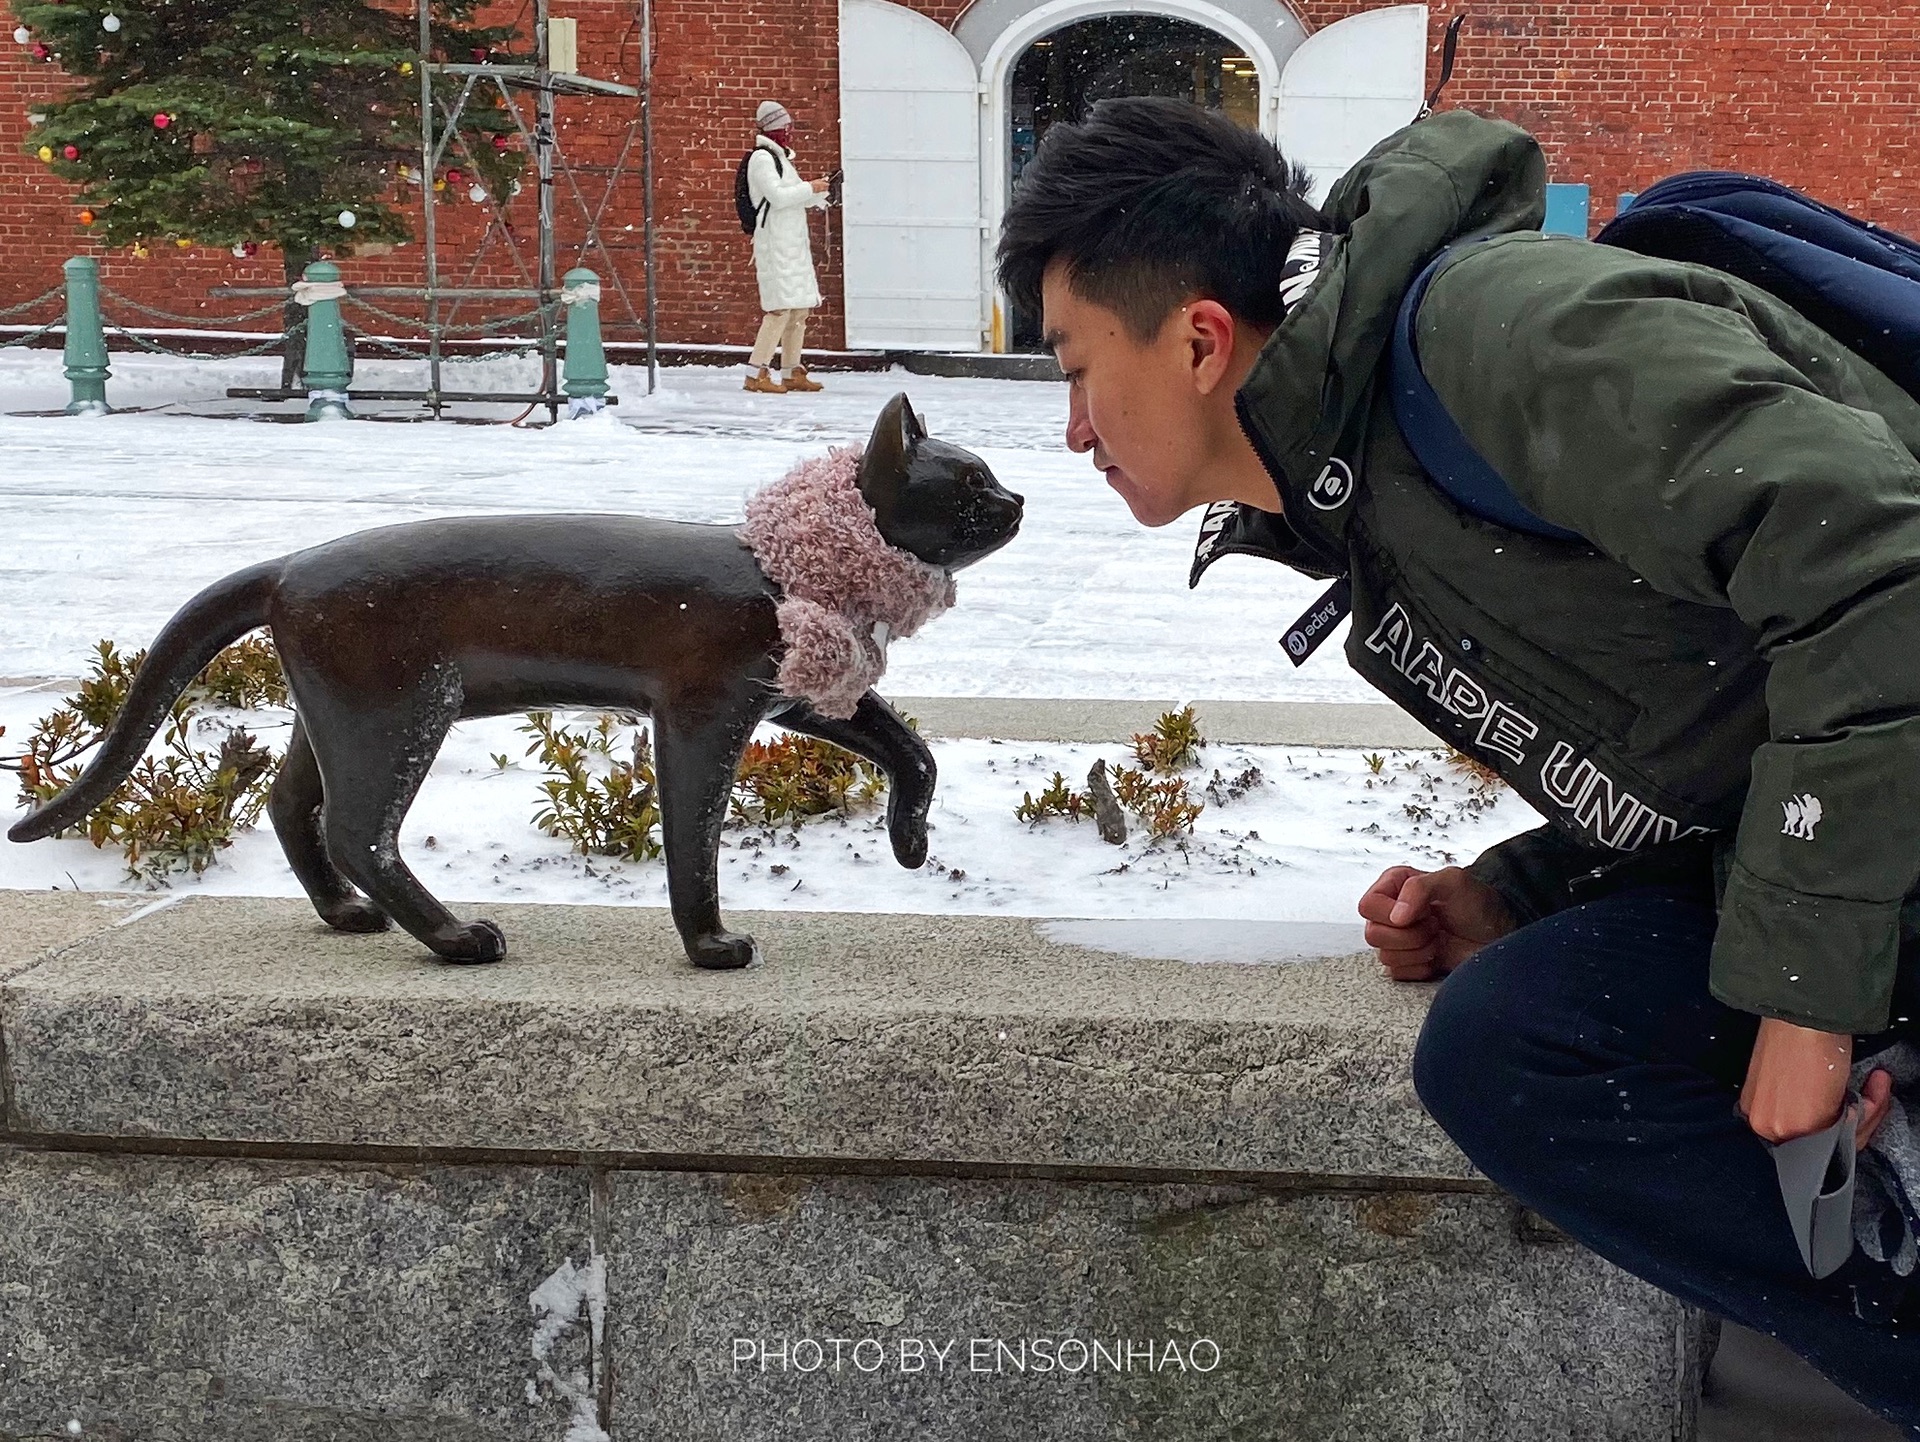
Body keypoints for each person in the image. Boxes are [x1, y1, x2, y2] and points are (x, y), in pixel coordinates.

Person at [997, 96, 1920, 1432]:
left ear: (1199, 339)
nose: (1074, 426)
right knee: (1519, 1044)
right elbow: (1711, 731)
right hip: (1870, 837)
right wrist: (1523, 888)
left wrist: (1806, 1004)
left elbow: (1880, 572)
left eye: (1077, 365)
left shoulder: (1507, 336)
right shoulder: (1357, 490)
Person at [743, 100, 832, 395]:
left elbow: (791, 197)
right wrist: (811, 188)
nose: (788, 132)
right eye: (784, 127)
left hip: (792, 246)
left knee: (799, 311)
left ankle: (792, 370)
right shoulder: (763, 159)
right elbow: (778, 197)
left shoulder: (781, 158)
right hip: (775, 246)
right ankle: (756, 372)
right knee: (779, 310)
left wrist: (821, 192)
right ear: (773, 128)